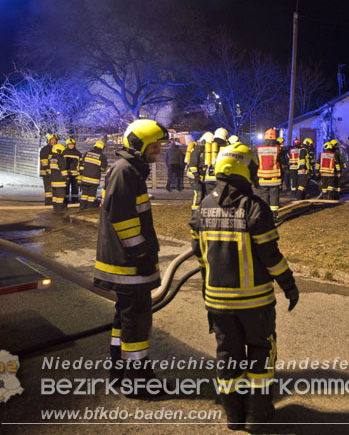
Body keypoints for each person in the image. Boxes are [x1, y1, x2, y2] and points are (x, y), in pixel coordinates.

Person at [189, 142, 298, 431]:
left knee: (228, 356)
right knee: (261, 353)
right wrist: (289, 285)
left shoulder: (203, 207)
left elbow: (199, 255)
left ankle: (233, 415)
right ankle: (257, 414)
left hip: (217, 303)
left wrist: (207, 290)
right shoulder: (254, 207)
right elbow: (270, 256)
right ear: (244, 170)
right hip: (255, 303)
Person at [95, 119, 170, 390]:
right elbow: (123, 218)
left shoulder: (130, 170)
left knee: (125, 319)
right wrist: (140, 254)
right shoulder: (124, 171)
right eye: (154, 146)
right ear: (139, 145)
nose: (158, 151)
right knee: (137, 321)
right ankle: (138, 382)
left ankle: (119, 374)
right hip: (127, 263)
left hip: (126, 261)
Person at [256, 128, 283, 221]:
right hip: (274, 178)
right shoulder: (278, 149)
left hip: (263, 178)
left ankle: (264, 216)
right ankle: (274, 216)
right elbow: (282, 161)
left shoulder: (259, 149)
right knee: (274, 197)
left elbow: (257, 162)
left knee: (264, 197)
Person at [79, 140, 108, 209]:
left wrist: (82, 174)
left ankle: (82, 206)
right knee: (91, 195)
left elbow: (81, 165)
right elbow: (103, 169)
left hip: (85, 178)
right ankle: (89, 207)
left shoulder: (87, 153)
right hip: (94, 180)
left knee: (84, 194)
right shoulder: (102, 156)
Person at [188, 132, 213, 211]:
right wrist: (196, 175)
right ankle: (195, 212)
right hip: (194, 176)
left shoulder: (206, 151)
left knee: (203, 194)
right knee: (198, 193)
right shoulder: (196, 150)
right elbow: (193, 164)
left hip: (201, 176)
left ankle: (201, 211)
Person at [205, 128, 229, 195]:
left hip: (209, 178)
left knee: (210, 198)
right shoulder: (227, 148)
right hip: (221, 178)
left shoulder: (209, 146)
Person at [39, 133, 58, 205]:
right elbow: (44, 161)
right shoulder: (45, 149)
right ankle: (48, 202)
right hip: (46, 173)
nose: (53, 141)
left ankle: (53, 203)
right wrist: (47, 170)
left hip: (54, 173)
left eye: (54, 140)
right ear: (49, 141)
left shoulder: (57, 149)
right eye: (52, 140)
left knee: (54, 189)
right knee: (48, 189)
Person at [49, 143, 68, 212]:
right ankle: (59, 209)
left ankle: (55, 208)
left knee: (55, 195)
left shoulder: (51, 159)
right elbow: (63, 170)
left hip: (53, 180)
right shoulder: (61, 159)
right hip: (60, 181)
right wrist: (66, 178)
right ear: (59, 151)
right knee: (60, 195)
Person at [64, 138, 83, 204]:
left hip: (75, 174)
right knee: (66, 188)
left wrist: (80, 173)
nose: (71, 146)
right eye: (70, 144)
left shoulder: (78, 153)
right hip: (66, 173)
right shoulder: (64, 152)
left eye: (72, 144)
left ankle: (74, 200)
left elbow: (81, 164)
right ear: (67, 145)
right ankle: (65, 201)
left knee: (75, 188)